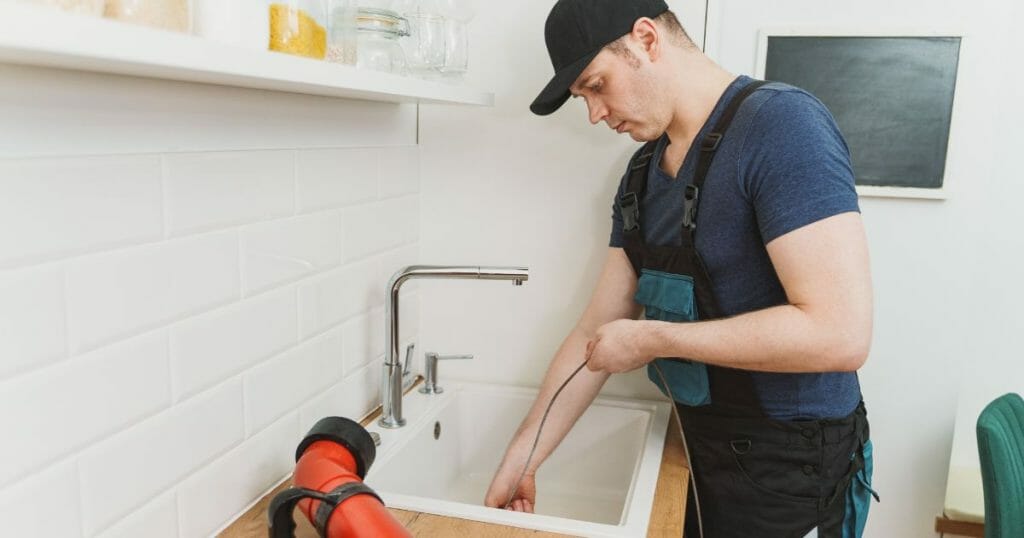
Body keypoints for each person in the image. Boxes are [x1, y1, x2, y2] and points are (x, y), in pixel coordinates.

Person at [483, 1, 878, 536]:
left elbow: (839, 333)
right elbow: (592, 331)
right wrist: (524, 459)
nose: (595, 114)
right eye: (583, 98)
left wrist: (653, 340)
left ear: (646, 39)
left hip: (794, 467)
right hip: (700, 445)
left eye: (596, 86)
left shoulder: (783, 126)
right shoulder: (642, 172)